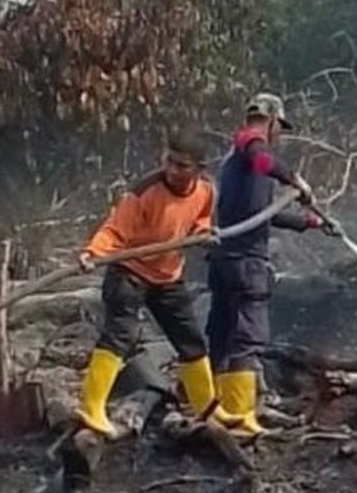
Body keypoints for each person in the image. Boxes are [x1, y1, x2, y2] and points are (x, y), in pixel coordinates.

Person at [75, 127, 250, 440]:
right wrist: (92, 253)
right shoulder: (144, 192)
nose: (172, 170)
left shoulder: (206, 191)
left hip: (168, 275)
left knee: (191, 341)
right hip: (129, 271)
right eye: (169, 161)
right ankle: (91, 407)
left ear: (199, 169)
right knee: (121, 335)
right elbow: (114, 231)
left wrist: (202, 234)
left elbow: (201, 220)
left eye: (182, 166)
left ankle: (207, 408)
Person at [206, 93, 339, 437]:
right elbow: (265, 162)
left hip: (224, 257)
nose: (278, 133)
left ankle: (209, 406)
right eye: (279, 126)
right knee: (248, 336)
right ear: (272, 120)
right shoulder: (252, 144)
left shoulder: (237, 161)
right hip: (244, 261)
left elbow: (263, 216)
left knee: (220, 332)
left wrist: (309, 223)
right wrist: (295, 180)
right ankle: (239, 415)